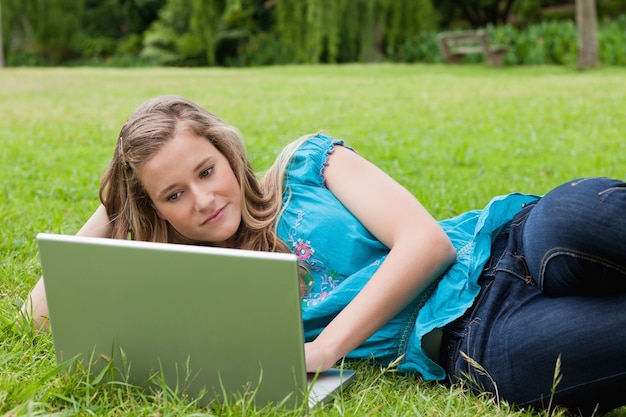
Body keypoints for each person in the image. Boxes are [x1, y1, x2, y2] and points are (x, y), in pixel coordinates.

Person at [22, 95, 626, 415]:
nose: (203, 200)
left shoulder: (308, 164)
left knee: (573, 216)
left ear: (228, 152)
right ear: (155, 211)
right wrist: (119, 201)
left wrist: (323, 350)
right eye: (173, 195)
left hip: (508, 241)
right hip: (475, 339)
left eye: (206, 171)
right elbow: (44, 311)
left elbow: (428, 244)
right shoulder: (199, 283)